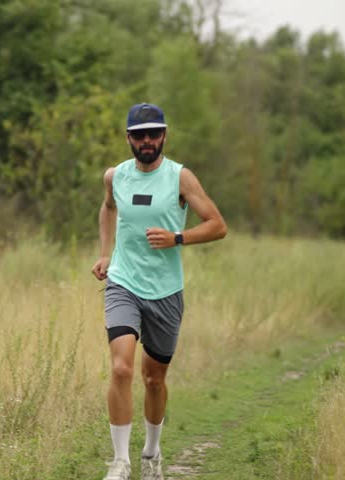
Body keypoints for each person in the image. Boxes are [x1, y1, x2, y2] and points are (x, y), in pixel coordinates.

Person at [91, 103, 227, 480]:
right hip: (123, 282)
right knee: (121, 368)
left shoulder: (180, 178)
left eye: (154, 133)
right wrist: (105, 253)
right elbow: (107, 209)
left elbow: (217, 225)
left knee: (154, 378)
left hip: (166, 292)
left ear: (164, 135)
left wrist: (177, 238)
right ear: (129, 138)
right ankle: (120, 462)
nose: (147, 141)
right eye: (139, 135)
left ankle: (152, 453)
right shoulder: (115, 176)